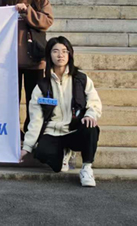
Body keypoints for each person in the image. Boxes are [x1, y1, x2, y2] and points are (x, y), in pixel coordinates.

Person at [21, 36, 102, 187]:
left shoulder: (81, 79)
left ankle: (87, 168)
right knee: (42, 153)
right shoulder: (42, 86)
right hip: (52, 133)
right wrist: (27, 147)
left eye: (64, 51)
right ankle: (64, 153)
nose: (60, 55)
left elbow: (94, 101)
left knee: (91, 128)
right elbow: (36, 119)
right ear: (49, 55)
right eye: (55, 51)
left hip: (73, 130)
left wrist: (90, 114)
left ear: (70, 54)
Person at [2, 0, 54, 135]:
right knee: (11, 100)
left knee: (34, 98)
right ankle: (13, 133)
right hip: (11, 59)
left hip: (35, 58)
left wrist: (27, 11)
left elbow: (47, 21)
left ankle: (32, 133)